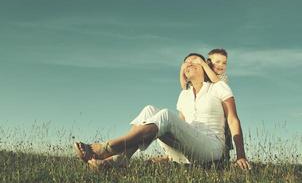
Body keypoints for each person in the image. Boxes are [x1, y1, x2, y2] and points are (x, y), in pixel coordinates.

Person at [74, 53, 251, 170]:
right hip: (187, 153)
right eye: (186, 63)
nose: (189, 64)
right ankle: (119, 160)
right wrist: (167, 157)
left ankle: (108, 148)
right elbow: (179, 127)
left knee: (165, 114)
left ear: (204, 66)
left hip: (211, 148)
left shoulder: (219, 88)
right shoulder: (184, 95)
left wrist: (240, 156)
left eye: (194, 61)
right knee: (149, 109)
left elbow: (233, 120)